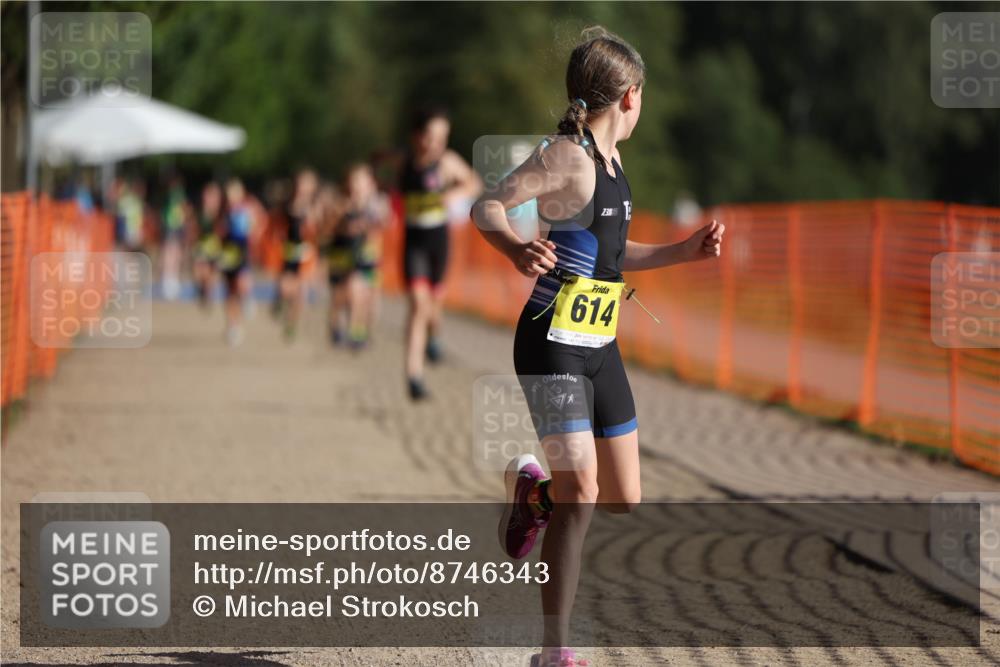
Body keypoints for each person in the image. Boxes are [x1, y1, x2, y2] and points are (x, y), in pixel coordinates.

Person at [471, 28, 725, 667]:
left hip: (600, 344)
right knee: (582, 491)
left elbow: (613, 256)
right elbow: (487, 206)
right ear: (631, 96)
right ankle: (555, 652)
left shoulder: (613, 166)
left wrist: (683, 252)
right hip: (551, 342)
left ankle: (534, 495)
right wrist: (515, 248)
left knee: (623, 495)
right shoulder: (567, 156)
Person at [380, 106, 482, 399]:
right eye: (430, 136)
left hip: (439, 243)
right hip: (413, 244)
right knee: (418, 305)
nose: (436, 143)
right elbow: (381, 168)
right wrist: (386, 191)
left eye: (442, 137)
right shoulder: (404, 160)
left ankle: (434, 337)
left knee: (433, 307)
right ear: (416, 136)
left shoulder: (447, 162)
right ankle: (414, 375)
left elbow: (474, 182)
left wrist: (453, 194)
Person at [323, 163, 392, 349]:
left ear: (370, 183)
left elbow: (385, 221)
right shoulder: (342, 203)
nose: (357, 185)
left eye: (361, 180)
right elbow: (328, 228)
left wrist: (370, 221)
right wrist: (344, 222)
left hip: (370, 256)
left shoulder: (377, 202)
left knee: (370, 299)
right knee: (348, 291)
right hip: (344, 255)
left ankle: (361, 331)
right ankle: (345, 328)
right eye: (354, 181)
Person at [279, 168, 320, 342]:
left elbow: (320, 228)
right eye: (302, 183)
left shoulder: (315, 205)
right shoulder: (288, 204)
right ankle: (282, 306)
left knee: (301, 293)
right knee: (286, 288)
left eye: (308, 183)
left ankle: (292, 324)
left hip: (307, 255)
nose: (304, 187)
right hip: (290, 253)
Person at [217, 178, 257, 347]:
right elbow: (217, 234)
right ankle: (233, 326)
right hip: (227, 255)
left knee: (242, 283)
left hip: (242, 253)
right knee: (230, 293)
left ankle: (247, 298)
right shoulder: (222, 213)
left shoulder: (247, 210)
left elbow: (256, 227)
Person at [193, 181, 224, 310]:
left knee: (211, 276)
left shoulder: (221, 214)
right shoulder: (199, 213)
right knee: (200, 274)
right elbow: (194, 232)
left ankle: (207, 295)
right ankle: (203, 292)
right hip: (202, 248)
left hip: (216, 249)